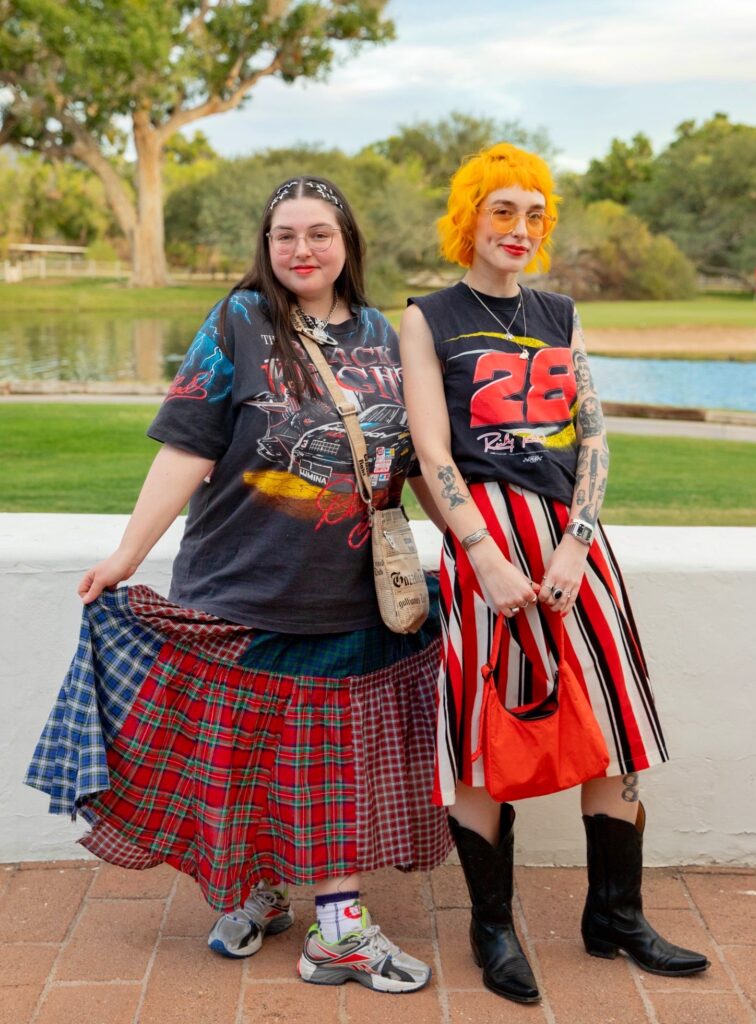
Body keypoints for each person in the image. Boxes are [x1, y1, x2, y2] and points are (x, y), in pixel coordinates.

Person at [26, 175, 452, 995]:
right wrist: (125, 555)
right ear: (265, 246)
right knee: (248, 758)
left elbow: (419, 459)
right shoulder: (237, 324)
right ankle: (260, 890)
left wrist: (483, 544)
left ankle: (337, 929)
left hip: (351, 595)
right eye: (284, 235)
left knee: (329, 763)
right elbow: (187, 445)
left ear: (347, 243)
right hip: (238, 585)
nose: (301, 249)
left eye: (318, 233)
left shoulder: (386, 335)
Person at [400, 144, 710, 1005]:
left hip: (576, 547)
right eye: (502, 211)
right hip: (485, 545)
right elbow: (430, 451)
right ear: (469, 217)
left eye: (534, 215)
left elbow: (593, 436)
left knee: (613, 716)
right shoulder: (430, 317)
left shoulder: (560, 313)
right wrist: (484, 557)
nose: (520, 230)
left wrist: (577, 542)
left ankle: (614, 915)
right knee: (483, 725)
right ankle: (490, 927)